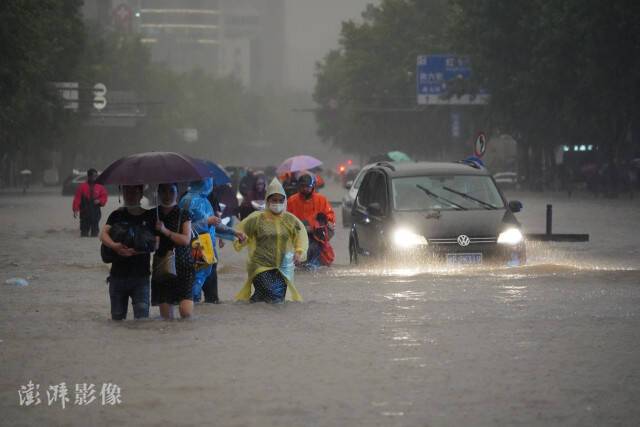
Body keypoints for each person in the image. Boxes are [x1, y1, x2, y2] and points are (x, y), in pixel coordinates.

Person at [234, 178, 308, 303]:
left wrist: (299, 252)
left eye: (280, 200)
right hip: (260, 266)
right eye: (274, 200)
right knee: (275, 297)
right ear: (267, 200)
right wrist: (241, 240)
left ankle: (253, 310)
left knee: (267, 300)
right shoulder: (256, 219)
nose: (277, 203)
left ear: (284, 201)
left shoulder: (290, 220)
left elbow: (300, 238)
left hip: (282, 268)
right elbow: (240, 235)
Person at [99, 185, 157, 321]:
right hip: (117, 277)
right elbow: (103, 235)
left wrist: (137, 250)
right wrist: (115, 247)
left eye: (134, 191)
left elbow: (156, 244)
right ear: (122, 193)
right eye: (126, 191)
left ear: (141, 193)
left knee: (142, 321)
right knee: (117, 321)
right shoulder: (116, 215)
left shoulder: (150, 216)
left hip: (141, 277)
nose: (129, 195)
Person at [152, 183, 194, 319]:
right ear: (158, 193)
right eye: (163, 191)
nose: (167, 195)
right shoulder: (153, 214)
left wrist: (165, 231)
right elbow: (150, 244)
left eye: (171, 191)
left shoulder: (184, 214)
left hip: (183, 265)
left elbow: (186, 240)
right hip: (162, 266)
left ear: (177, 192)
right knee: (166, 319)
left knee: (186, 313)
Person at [179, 178, 221, 303]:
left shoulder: (207, 198)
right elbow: (185, 228)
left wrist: (232, 233)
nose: (210, 184)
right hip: (197, 246)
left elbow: (215, 222)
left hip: (208, 247)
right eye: (208, 181)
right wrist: (207, 222)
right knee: (195, 287)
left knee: (211, 296)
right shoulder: (187, 200)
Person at [286, 173, 336, 268]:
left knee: (318, 256)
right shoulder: (292, 200)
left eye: (307, 187)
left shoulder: (321, 199)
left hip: (316, 236)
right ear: (299, 186)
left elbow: (330, 215)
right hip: (297, 236)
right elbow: (287, 218)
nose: (305, 189)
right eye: (302, 186)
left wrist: (327, 222)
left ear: (312, 186)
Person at [72, 168, 108, 237]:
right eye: (94, 176)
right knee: (84, 233)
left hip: (96, 213)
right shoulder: (81, 187)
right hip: (84, 213)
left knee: (95, 233)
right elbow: (77, 199)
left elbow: (104, 197)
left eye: (96, 176)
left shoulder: (100, 187)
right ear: (89, 176)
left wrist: (99, 200)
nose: (96, 177)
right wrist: (75, 210)